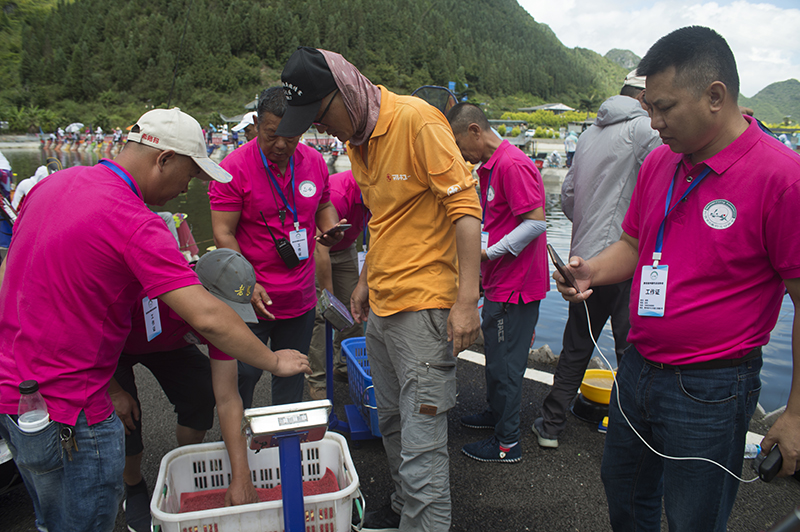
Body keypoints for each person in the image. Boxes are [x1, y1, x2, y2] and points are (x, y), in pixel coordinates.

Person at [0, 107, 311, 532]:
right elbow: (207, 316)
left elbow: (9, 279)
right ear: (163, 158)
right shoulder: (135, 221)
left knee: (49, 518)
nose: (187, 189)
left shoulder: (53, 185)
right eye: (189, 174)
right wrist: (275, 362)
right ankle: (134, 488)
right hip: (73, 411)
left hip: (17, 398)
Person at [553, 26, 800, 531]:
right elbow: (635, 246)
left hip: (712, 385)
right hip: (639, 365)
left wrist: (795, 415)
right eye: (648, 107)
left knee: (694, 518)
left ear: (716, 96)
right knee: (623, 492)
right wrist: (590, 272)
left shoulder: (782, 178)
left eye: (664, 108)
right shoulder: (661, 160)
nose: (654, 121)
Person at [277, 47, 482, 531]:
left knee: (423, 436)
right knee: (388, 420)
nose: (319, 129)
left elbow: (466, 210)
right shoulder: (358, 139)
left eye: (320, 115)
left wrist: (467, 301)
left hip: (427, 307)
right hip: (384, 304)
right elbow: (386, 220)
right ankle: (403, 508)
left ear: (347, 91)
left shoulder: (417, 121)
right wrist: (366, 280)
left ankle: (425, 522)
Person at [534, 70, 661, 449]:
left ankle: (550, 426)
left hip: (582, 259)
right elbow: (668, 184)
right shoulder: (645, 132)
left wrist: (591, 226)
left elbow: (569, 198)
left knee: (576, 345)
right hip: (624, 260)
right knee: (630, 348)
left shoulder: (588, 134)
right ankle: (628, 432)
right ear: (643, 98)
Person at [111, 248, 262, 532]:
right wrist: (114, 392)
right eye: (219, 306)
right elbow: (87, 338)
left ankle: (186, 461)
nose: (224, 316)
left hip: (170, 345)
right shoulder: (140, 289)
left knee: (202, 391)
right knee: (124, 417)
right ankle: (133, 485)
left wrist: (241, 476)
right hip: (113, 346)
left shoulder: (216, 319)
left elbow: (228, 398)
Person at [210, 86, 341, 409]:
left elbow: (323, 205)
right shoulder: (232, 168)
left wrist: (332, 228)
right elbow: (223, 233)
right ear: (256, 123)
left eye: (291, 136)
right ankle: (243, 443)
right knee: (245, 374)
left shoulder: (313, 161)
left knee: (292, 375)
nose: (281, 144)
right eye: (271, 135)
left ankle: (285, 447)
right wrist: (247, 282)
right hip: (250, 297)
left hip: (299, 297)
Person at [446, 103, 548, 463]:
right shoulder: (488, 167)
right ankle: (495, 415)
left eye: (459, 144)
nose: (460, 153)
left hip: (516, 285)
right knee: (496, 360)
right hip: (501, 281)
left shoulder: (512, 163)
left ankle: (507, 444)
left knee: (506, 364)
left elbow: (536, 223)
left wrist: (488, 254)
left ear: (475, 131)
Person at [307, 170, 370, 400]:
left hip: (347, 249)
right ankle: (318, 379)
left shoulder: (382, 187)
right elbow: (321, 249)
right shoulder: (338, 194)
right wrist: (328, 298)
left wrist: (364, 284)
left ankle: (344, 365)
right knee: (322, 314)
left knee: (354, 306)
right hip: (318, 249)